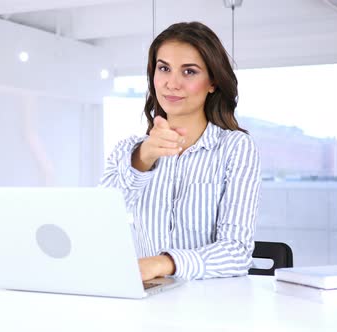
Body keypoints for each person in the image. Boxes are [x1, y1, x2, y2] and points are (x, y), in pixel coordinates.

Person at [100, 22, 261, 281]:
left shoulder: (236, 148)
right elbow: (99, 221)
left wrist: (164, 264)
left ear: (213, 83)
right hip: (145, 295)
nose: (171, 84)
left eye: (189, 72)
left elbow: (237, 252)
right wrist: (143, 159)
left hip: (211, 301)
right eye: (164, 68)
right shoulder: (128, 150)